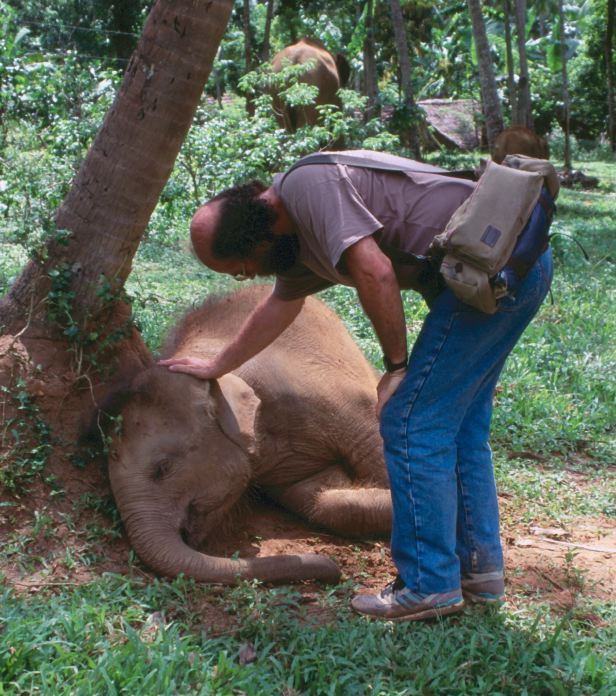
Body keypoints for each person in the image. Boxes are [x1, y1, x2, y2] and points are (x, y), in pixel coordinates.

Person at [162, 150, 553, 622]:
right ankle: (479, 575)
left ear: (261, 234)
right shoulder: (295, 236)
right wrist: (219, 363)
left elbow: (375, 271)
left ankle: (429, 584)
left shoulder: (308, 188)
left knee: (410, 420)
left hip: (498, 270)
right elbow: (279, 306)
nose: (247, 276)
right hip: (505, 269)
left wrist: (396, 367)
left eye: (242, 265)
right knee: (461, 427)